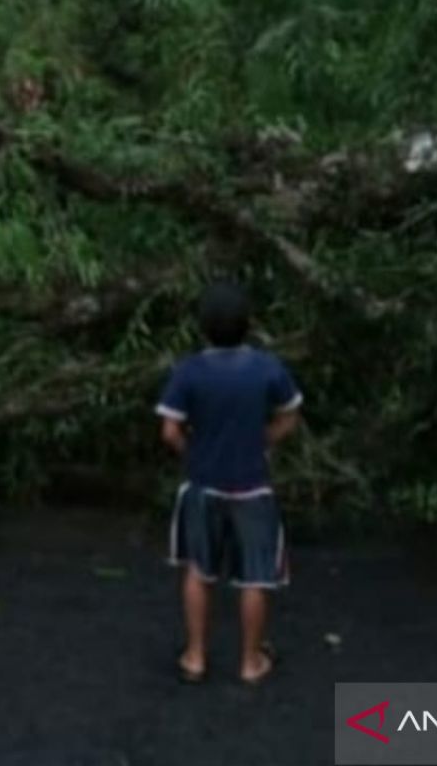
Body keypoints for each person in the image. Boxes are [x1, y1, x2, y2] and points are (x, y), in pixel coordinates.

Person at [155, 282, 303, 686]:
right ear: (248, 324)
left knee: (199, 570)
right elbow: (289, 415)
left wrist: (193, 450)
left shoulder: (189, 371)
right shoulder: (267, 368)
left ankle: (196, 657)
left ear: (203, 327)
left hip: (203, 483)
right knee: (256, 576)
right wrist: (263, 440)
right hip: (252, 485)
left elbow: (170, 430)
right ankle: (251, 661)